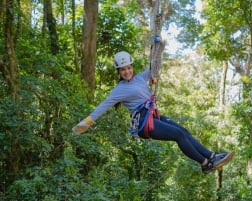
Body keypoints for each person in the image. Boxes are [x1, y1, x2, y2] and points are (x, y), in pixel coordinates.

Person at [72, 51, 234, 174]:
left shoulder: (140, 78)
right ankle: (206, 163)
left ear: (131, 67)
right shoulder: (120, 89)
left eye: (129, 68)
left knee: (184, 132)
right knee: (178, 135)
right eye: (123, 70)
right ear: (119, 71)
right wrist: (86, 123)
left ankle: (212, 156)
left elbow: (155, 67)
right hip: (144, 122)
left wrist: (158, 47)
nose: (127, 72)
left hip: (153, 116)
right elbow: (104, 105)